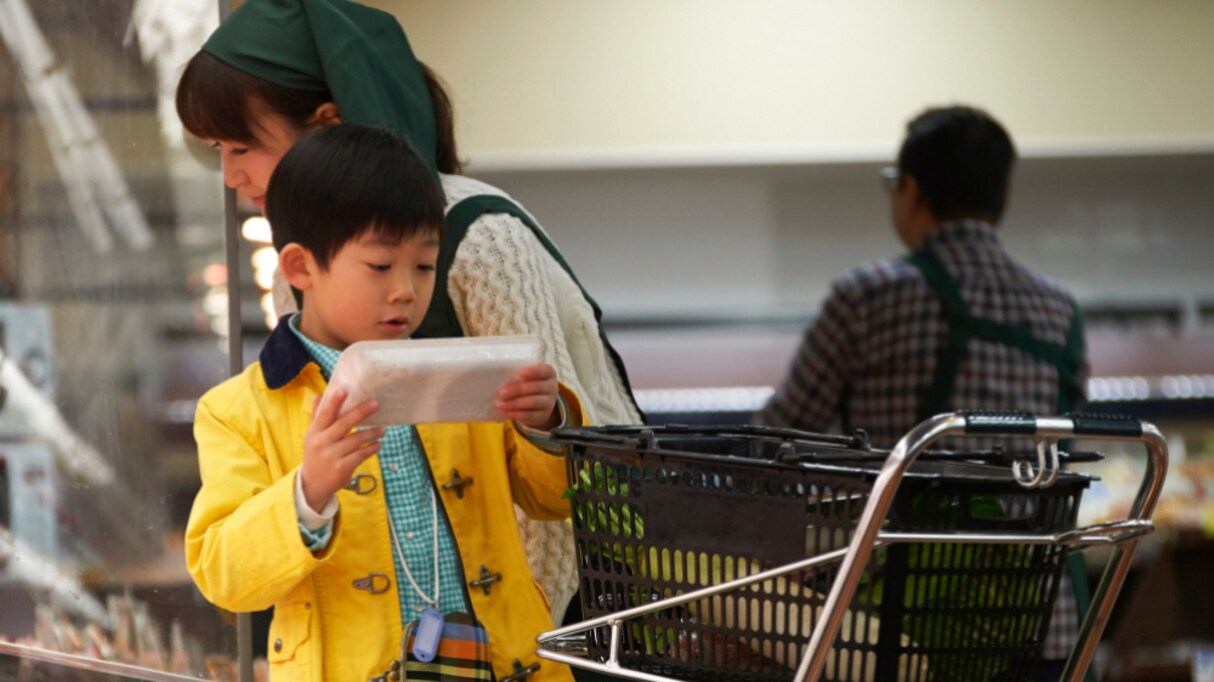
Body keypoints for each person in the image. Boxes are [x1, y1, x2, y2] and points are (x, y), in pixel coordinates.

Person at [175, 0, 643, 629]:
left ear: (325, 123)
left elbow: (550, 501)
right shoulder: (249, 387)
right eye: (217, 150)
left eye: (242, 145)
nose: (231, 174)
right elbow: (232, 562)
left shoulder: (476, 232)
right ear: (300, 268)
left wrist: (526, 641)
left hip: (584, 602)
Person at [188, 123, 581, 682]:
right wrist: (307, 493)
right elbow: (223, 575)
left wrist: (546, 424)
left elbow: (556, 501)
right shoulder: (236, 410)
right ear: (301, 268)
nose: (407, 290)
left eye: (424, 265)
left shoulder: (468, 373)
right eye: (380, 266)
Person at [757, 105, 1087, 680]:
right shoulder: (1060, 311)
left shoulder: (869, 296)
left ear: (910, 190)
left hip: (906, 630)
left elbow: (779, 441)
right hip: (1043, 626)